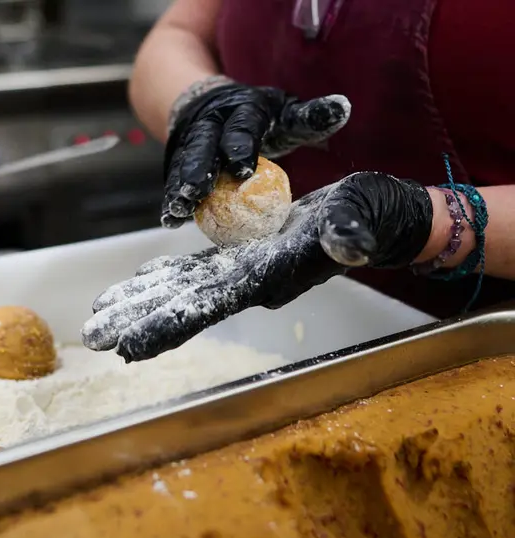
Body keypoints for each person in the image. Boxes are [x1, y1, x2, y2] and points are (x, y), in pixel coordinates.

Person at [82, 0, 515, 362]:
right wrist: (205, 100)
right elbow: (178, 32)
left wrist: (430, 222)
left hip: (472, 351)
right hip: (281, 324)